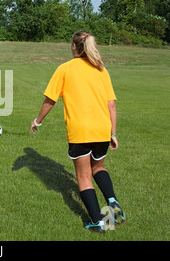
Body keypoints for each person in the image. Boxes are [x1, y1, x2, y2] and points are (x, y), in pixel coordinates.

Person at [30, 31, 125, 233]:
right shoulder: (101, 69)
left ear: (74, 46)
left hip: (80, 130)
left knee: (83, 176)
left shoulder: (65, 68)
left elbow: (50, 100)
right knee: (98, 168)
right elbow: (111, 104)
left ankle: (97, 221)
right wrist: (113, 133)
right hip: (102, 129)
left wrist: (38, 121)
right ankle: (112, 202)